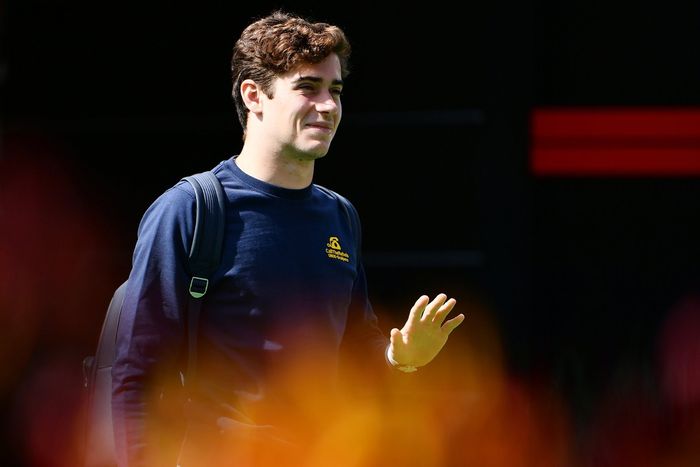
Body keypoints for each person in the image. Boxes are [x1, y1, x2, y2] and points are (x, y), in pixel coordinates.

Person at [111, 9, 465, 467]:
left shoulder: (339, 216)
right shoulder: (191, 209)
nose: (328, 106)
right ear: (254, 95)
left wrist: (402, 358)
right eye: (308, 87)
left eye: (335, 90)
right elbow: (137, 375)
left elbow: (357, 353)